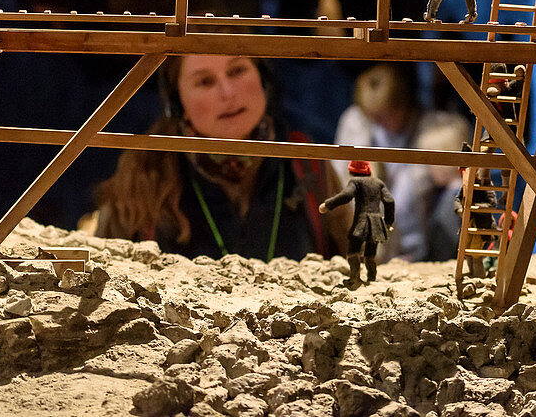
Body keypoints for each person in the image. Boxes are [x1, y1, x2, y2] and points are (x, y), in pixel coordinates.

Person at [89, 54, 349, 260]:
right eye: (205, 81)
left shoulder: (307, 160)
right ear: (177, 104)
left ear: (263, 79)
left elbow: (350, 268)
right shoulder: (143, 171)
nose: (227, 93)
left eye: (237, 71)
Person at [331, 63, 471, 261]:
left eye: (386, 115)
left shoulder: (434, 128)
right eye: (374, 118)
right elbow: (339, 180)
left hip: (418, 247)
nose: (381, 123)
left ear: (403, 105)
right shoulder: (356, 123)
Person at [319, 160, 395, 288]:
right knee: (370, 254)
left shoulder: (355, 182)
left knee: (353, 252)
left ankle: (355, 278)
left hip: (362, 223)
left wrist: (328, 205)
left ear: (352, 171)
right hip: (376, 224)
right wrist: (388, 221)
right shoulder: (379, 184)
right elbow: (390, 201)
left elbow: (346, 195)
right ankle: (371, 278)